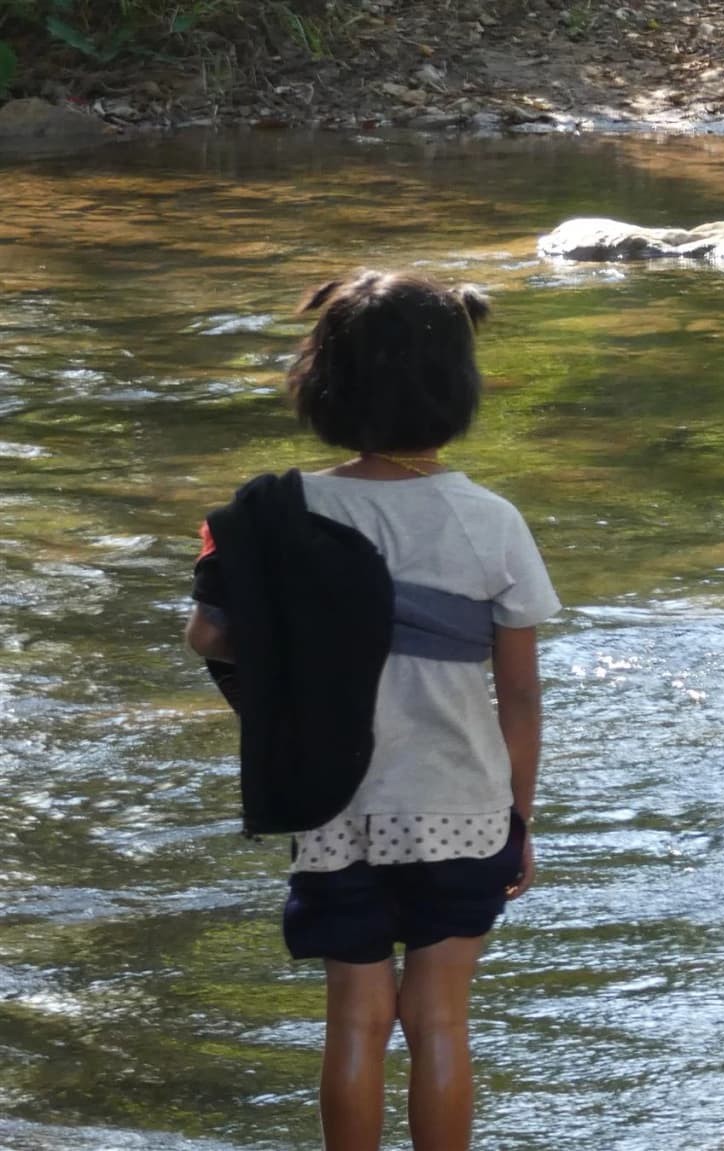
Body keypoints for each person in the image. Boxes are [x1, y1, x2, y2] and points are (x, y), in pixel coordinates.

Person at [185, 271, 559, 1151]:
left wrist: (311, 649)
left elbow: (209, 635)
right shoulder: (490, 520)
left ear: (322, 382)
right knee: (440, 1020)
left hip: (335, 802)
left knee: (354, 1018)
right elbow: (522, 693)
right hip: (465, 806)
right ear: (458, 391)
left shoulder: (279, 509)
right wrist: (519, 818)